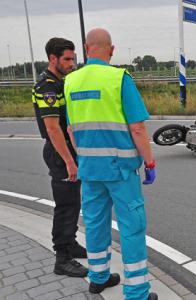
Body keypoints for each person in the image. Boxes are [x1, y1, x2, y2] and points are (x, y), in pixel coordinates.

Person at [64, 28, 158, 300]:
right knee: (132, 227)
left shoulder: (71, 81)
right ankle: (138, 292)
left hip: (90, 170)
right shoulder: (118, 78)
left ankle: (98, 278)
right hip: (120, 169)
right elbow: (137, 129)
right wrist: (149, 163)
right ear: (112, 49)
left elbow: (71, 129)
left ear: (86, 47)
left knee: (94, 224)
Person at [32, 38, 88, 278]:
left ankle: (71, 243)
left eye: (73, 58)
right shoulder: (47, 86)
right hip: (59, 152)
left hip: (68, 150)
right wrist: (69, 161)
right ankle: (62, 258)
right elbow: (53, 129)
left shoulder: (61, 81)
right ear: (52, 58)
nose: (72, 63)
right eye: (67, 59)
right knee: (66, 206)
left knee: (74, 202)